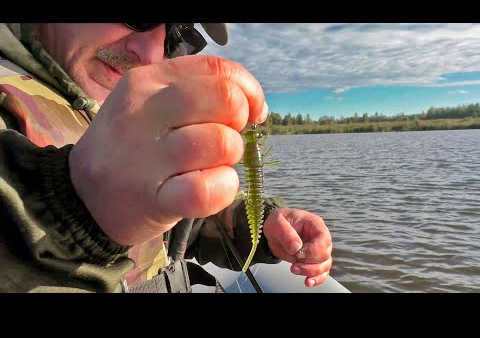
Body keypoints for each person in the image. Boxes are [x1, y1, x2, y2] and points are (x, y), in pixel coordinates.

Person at [0, 23, 333, 293]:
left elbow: (189, 221)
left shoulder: (128, 110)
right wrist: (75, 215)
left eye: (176, 31)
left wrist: (262, 228)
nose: (149, 52)